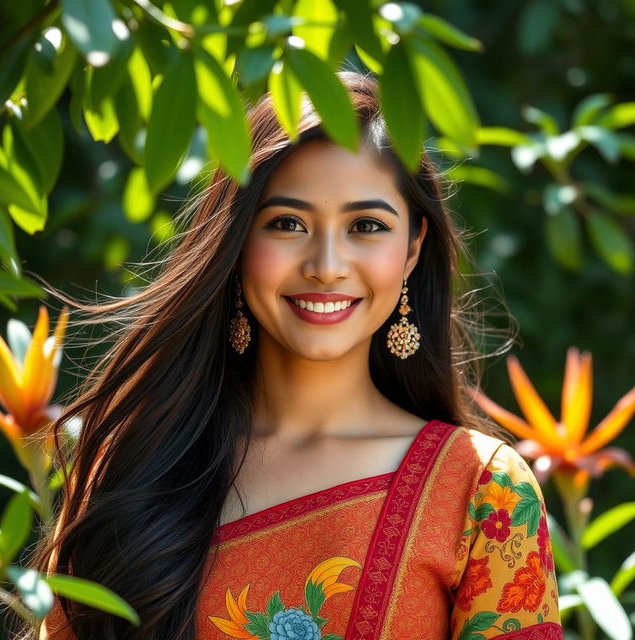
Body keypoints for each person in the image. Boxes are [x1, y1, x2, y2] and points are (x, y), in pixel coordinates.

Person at [29, 71, 562, 640]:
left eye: (366, 226)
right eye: (287, 223)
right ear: (235, 245)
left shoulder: (482, 490)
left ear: (411, 250)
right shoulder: (134, 467)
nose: (327, 264)